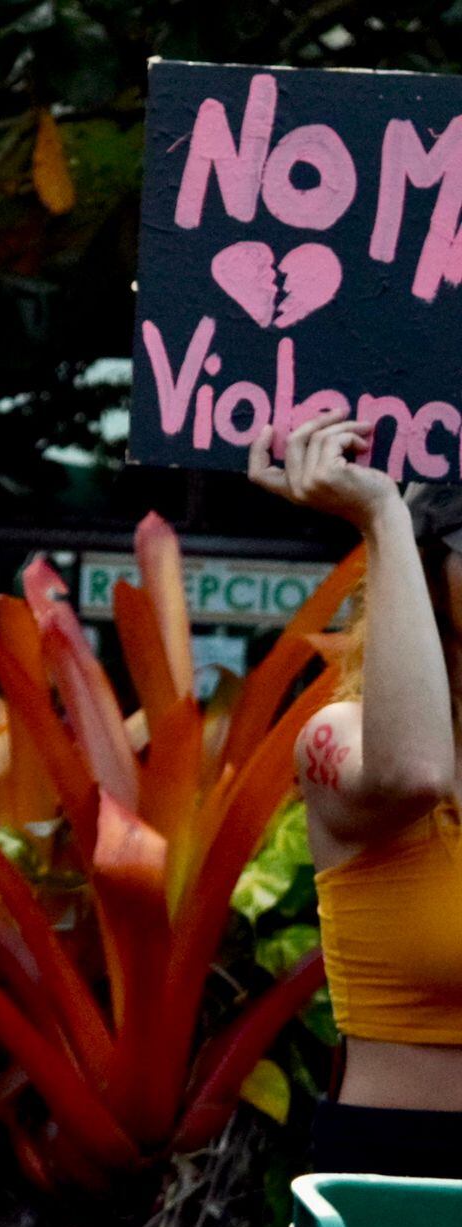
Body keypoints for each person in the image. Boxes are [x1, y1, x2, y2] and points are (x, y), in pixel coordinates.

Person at [247, 414, 462, 1180]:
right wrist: (382, 515)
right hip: (405, 1172)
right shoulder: (339, 738)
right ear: (429, 570)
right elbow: (414, 772)